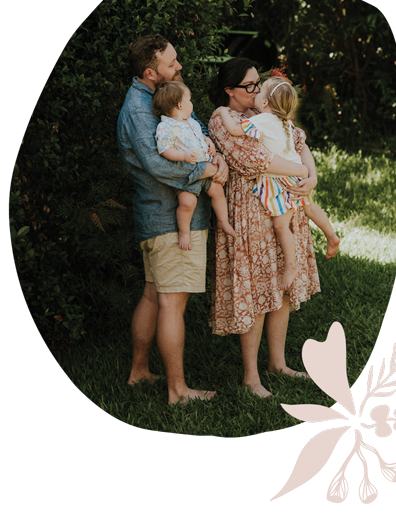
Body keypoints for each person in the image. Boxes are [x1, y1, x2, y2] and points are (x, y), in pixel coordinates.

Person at [117, 34, 228, 404]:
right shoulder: (139, 108)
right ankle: (178, 391)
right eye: (171, 63)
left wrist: (218, 159)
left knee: (154, 295)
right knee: (172, 303)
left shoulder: (162, 97)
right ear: (151, 72)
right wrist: (207, 172)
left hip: (158, 219)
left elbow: (198, 132)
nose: (178, 67)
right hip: (169, 220)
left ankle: (139, 371)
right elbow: (158, 164)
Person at [208, 58, 321, 398]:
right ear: (230, 90)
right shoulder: (222, 118)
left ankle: (277, 362)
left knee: (282, 288)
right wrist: (300, 172)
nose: (258, 90)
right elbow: (253, 160)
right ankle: (251, 377)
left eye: (259, 83)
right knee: (257, 292)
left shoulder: (267, 114)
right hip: (250, 211)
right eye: (250, 85)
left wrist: (311, 174)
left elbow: (300, 142)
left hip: (283, 208)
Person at [216, 76, 339, 291]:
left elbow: (235, 130)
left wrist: (222, 111)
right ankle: (332, 235)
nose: (256, 93)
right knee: (310, 207)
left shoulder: (263, 120)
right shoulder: (283, 122)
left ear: (265, 103)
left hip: (281, 179)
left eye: (260, 91)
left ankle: (291, 266)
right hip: (296, 175)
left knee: (281, 225)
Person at [153, 81, 235, 251]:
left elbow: (200, 137)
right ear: (180, 104)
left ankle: (224, 221)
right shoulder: (166, 126)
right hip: (188, 173)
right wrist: (182, 156)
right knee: (187, 203)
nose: (192, 104)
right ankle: (184, 232)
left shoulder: (190, 121)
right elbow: (164, 149)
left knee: (218, 191)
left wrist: (208, 142)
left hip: (204, 167)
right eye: (189, 100)